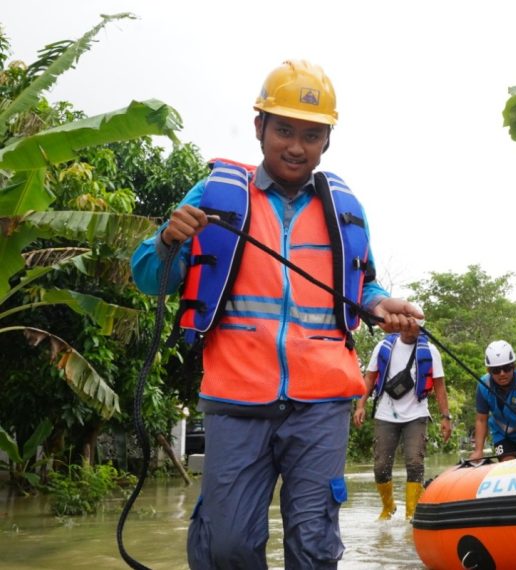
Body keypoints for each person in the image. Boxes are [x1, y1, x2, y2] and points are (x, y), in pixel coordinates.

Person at [131, 60, 423, 569]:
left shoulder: (344, 206)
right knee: (229, 546)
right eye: (284, 129)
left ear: (327, 140)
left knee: (314, 546)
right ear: (259, 126)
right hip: (236, 397)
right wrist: (167, 239)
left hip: (322, 402)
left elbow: (360, 284)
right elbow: (148, 276)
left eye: (311, 135)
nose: (296, 146)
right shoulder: (218, 194)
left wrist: (379, 305)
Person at [353, 321, 452, 521]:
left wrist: (445, 417)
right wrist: (360, 405)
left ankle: (412, 513)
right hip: (386, 413)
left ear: (421, 328)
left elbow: (440, 386)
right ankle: (388, 507)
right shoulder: (383, 347)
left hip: (416, 413)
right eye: (405, 324)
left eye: (413, 325)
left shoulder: (431, 351)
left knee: (415, 462)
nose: (408, 328)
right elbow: (369, 379)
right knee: (381, 466)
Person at [469, 340, 516, 461]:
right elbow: (481, 420)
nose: (502, 374)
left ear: (514, 367)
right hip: (502, 435)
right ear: (489, 370)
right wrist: (478, 451)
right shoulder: (483, 386)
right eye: (496, 370)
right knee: (508, 464)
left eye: (506, 368)